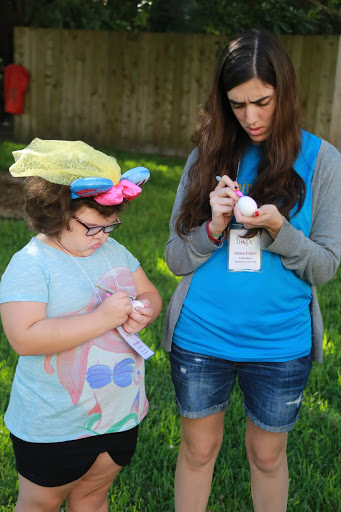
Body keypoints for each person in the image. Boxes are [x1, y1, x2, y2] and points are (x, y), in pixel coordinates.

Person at [162, 29, 341, 512]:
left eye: (262, 101)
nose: (251, 117)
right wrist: (214, 226)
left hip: (280, 342)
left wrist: (281, 231)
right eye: (237, 104)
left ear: (285, 91)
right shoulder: (207, 156)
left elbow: (324, 267)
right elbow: (176, 259)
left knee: (267, 456)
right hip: (202, 337)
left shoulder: (324, 162)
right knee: (198, 450)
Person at [0, 138, 162, 512]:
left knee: (92, 497)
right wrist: (101, 320)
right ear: (56, 212)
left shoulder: (112, 251)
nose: (103, 236)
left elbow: (151, 295)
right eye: (92, 227)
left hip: (119, 414)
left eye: (111, 226)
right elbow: (24, 338)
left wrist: (144, 311)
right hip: (55, 425)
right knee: (41, 503)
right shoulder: (31, 264)